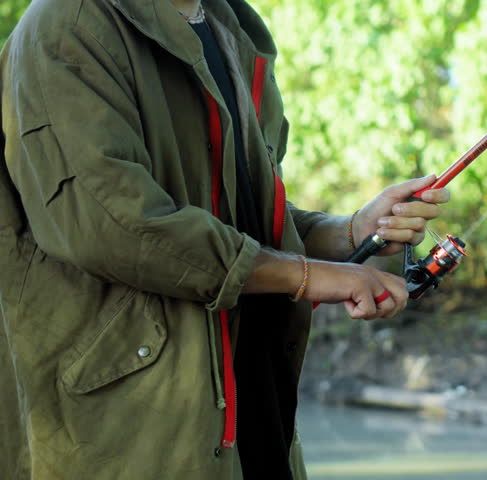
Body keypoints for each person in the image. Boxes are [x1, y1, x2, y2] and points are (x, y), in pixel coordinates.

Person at [0, 0, 450, 478]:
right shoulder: (66, 25)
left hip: (253, 407)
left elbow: (239, 215)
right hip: (132, 431)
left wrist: (348, 233)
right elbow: (115, 224)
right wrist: (306, 276)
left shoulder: (233, 26)